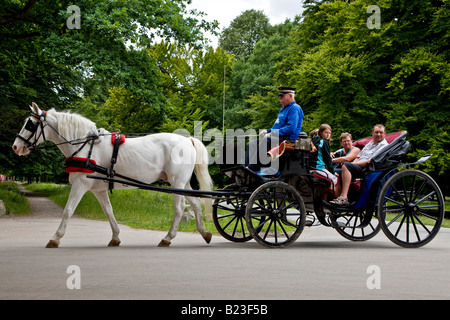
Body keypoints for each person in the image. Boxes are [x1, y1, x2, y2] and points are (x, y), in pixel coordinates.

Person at [245, 87, 304, 171]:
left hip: (288, 140)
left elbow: (290, 128)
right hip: (279, 137)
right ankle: (245, 167)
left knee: (266, 139)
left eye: (282, 96)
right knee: (253, 143)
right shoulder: (283, 109)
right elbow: (278, 126)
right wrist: (267, 131)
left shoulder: (294, 108)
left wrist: (273, 133)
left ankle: (253, 167)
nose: (279, 97)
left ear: (290, 96)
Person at [331, 124, 388, 205]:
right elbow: (358, 157)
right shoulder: (370, 143)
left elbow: (370, 162)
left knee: (347, 165)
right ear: (373, 133)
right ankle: (336, 197)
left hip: (368, 169)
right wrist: (353, 164)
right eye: (376, 132)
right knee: (333, 171)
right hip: (358, 165)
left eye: (381, 132)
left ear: (384, 134)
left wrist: (352, 164)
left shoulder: (384, 146)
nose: (378, 134)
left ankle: (344, 197)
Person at [310, 124, 340, 199]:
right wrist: (332, 172)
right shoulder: (324, 142)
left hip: (310, 166)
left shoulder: (313, 140)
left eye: (329, 133)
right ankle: (337, 201)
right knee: (335, 179)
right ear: (320, 132)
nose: (328, 135)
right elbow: (328, 159)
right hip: (318, 167)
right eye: (326, 133)